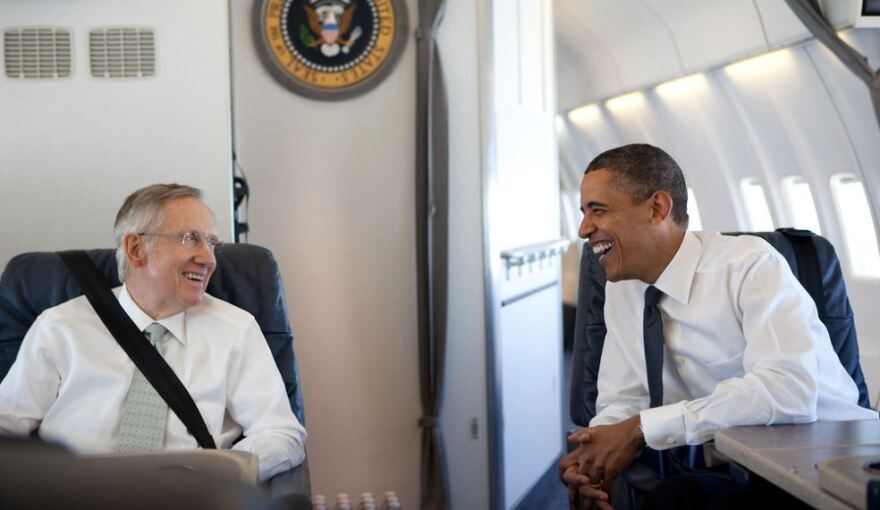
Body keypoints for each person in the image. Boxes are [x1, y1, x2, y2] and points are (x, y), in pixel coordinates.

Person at [558, 144, 877, 509]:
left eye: (597, 210)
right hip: (738, 463)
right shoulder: (623, 289)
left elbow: (788, 390)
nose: (584, 228)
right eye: (583, 212)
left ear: (657, 208)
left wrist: (642, 428)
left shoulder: (749, 266)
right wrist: (594, 451)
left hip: (829, 460)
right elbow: (625, 398)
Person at [0, 183, 306, 482]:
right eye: (190, 239)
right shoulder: (60, 327)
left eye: (212, 243)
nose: (209, 259)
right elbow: (6, 425)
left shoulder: (235, 330)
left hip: (186, 499)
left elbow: (281, 433)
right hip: (74, 495)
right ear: (136, 249)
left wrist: (222, 474)